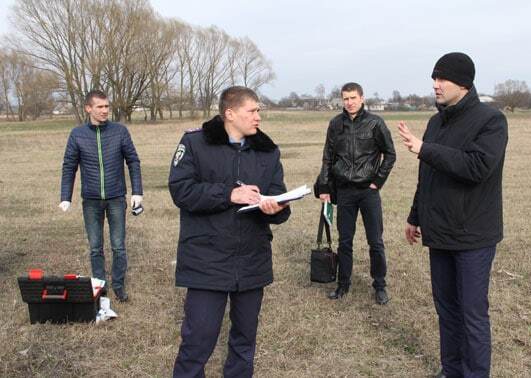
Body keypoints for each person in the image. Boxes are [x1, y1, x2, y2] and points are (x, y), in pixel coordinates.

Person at [398, 52, 508, 378]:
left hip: (473, 234)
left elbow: (477, 167)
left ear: (463, 83)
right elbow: (428, 175)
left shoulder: (491, 120)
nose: (435, 85)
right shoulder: (436, 122)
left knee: (472, 313)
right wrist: (415, 215)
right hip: (439, 232)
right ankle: (451, 370)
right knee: (446, 310)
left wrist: (424, 148)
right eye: (434, 78)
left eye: (442, 78)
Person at [169, 86, 290, 377]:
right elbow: (181, 191)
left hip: (251, 260)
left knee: (244, 342)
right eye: (253, 110)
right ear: (230, 113)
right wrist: (228, 194)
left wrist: (277, 208)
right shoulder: (195, 143)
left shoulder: (267, 151)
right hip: (206, 260)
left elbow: (280, 197)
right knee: (198, 341)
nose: (258, 116)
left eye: (259, 110)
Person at [59, 89, 143, 302]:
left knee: (118, 245)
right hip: (91, 200)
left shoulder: (120, 131)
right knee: (96, 246)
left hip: (116, 198)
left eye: (107, 106)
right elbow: (69, 166)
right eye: (100, 107)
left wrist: (137, 192)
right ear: (89, 108)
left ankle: (119, 285)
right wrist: (65, 196)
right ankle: (99, 286)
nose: (105, 110)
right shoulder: (77, 134)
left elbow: (133, 160)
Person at [316, 82, 396, 304]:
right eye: (345, 98)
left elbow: (390, 154)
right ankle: (343, 284)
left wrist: (377, 182)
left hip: (368, 192)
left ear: (362, 98)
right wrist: (324, 187)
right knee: (345, 241)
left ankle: (379, 285)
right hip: (345, 192)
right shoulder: (335, 124)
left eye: (353, 98)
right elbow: (327, 158)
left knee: (375, 241)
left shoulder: (375, 123)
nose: (349, 102)